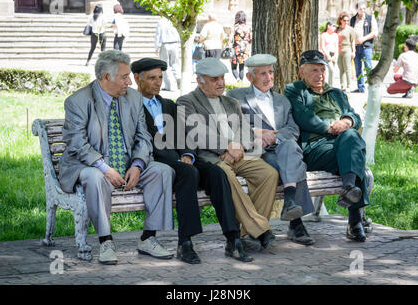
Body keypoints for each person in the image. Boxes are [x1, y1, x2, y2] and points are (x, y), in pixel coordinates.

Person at [58, 50, 175, 265]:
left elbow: (143, 136)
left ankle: (149, 238)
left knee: (162, 170)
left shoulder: (133, 98)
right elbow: (76, 143)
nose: (130, 81)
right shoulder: (78, 101)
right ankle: (105, 241)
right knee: (94, 177)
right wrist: (105, 168)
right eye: (124, 77)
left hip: (127, 162)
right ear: (105, 77)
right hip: (89, 164)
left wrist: (138, 164)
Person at [132, 57, 252, 263]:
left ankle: (232, 238)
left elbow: (185, 135)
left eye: (160, 77)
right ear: (137, 79)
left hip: (181, 160)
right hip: (153, 162)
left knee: (217, 173)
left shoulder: (168, 104)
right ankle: (185, 242)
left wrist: (188, 154)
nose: (158, 82)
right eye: (152, 78)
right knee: (189, 173)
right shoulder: (129, 106)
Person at [176, 57, 280, 251]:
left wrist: (237, 147)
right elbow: (196, 132)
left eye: (222, 78)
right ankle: (261, 230)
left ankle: (249, 233)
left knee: (268, 174)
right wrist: (226, 146)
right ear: (200, 81)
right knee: (227, 176)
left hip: (238, 155)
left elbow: (245, 130)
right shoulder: (186, 101)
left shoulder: (231, 102)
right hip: (211, 158)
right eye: (214, 79)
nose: (221, 83)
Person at [227, 54, 316, 245]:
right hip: (258, 152)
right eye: (262, 74)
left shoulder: (282, 101)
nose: (269, 77)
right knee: (292, 163)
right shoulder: (235, 97)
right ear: (250, 77)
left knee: (290, 149)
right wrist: (257, 133)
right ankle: (296, 223)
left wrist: (275, 136)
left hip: (283, 147)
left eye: (271, 72)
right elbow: (232, 124)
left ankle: (291, 204)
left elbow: (292, 129)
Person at [284, 50, 370, 242]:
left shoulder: (337, 93)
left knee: (351, 140)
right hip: (314, 148)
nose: (320, 74)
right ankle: (354, 218)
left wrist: (346, 121)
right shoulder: (296, 90)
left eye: (322, 69)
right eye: (314, 70)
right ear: (301, 71)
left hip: (340, 146)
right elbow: (305, 118)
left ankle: (349, 190)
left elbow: (354, 116)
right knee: (354, 152)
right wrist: (333, 126)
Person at [350, 2, 379, 93]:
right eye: (360, 9)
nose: (363, 10)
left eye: (364, 8)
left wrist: (363, 39)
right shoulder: (353, 19)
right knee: (358, 68)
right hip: (356, 47)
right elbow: (351, 33)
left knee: (368, 67)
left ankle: (372, 87)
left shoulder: (370, 18)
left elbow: (374, 32)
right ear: (356, 9)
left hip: (366, 47)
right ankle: (360, 87)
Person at [154, 17, 181, 91]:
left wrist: (156, 47)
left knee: (165, 66)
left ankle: (170, 86)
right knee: (175, 64)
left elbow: (158, 34)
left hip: (165, 44)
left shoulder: (161, 21)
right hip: (175, 44)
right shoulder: (174, 20)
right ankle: (178, 79)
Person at [229, 11, 252, 82]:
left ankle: (238, 79)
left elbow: (230, 39)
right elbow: (250, 39)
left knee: (233, 68)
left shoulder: (235, 27)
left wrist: (229, 48)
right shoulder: (248, 27)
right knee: (242, 68)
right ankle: (241, 81)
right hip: (245, 49)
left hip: (236, 49)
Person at [336, 12, 356, 93]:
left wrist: (353, 51)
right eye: (345, 20)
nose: (346, 22)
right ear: (340, 20)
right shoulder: (337, 29)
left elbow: (353, 41)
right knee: (341, 69)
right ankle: (342, 85)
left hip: (347, 49)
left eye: (348, 20)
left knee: (347, 68)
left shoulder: (350, 29)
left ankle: (348, 86)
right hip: (339, 50)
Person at [320, 22, 339, 86]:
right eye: (333, 26)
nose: (335, 28)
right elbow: (322, 46)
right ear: (328, 26)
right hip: (326, 54)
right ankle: (327, 85)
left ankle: (331, 86)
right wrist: (327, 55)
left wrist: (335, 55)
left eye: (335, 26)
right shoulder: (324, 35)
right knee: (331, 70)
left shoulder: (335, 35)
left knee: (332, 72)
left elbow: (336, 46)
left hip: (334, 54)